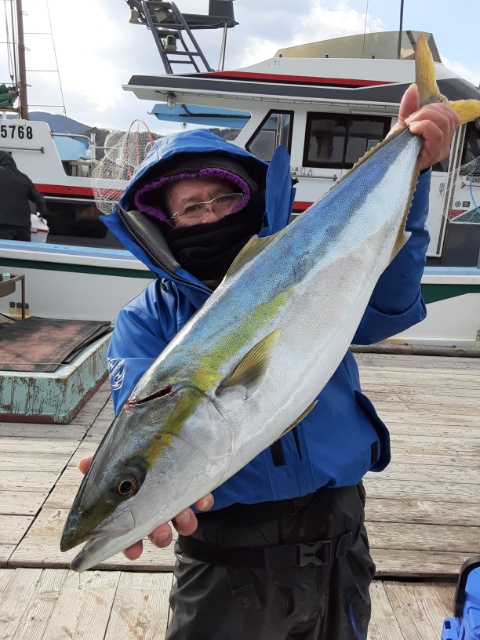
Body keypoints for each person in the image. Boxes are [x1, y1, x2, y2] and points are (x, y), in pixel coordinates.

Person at [79, 84, 458, 639]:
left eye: (225, 199)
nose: (211, 214)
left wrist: (415, 172)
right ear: (164, 224)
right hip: (226, 559)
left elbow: (387, 309)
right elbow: (147, 420)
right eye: (191, 208)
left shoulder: (305, 259)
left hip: (339, 539)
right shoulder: (146, 320)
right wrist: (133, 481)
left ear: (250, 199)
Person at [0, 150, 48, 241]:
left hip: (3, 224)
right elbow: (39, 198)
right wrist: (41, 214)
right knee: (22, 249)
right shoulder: (24, 178)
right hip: (23, 226)